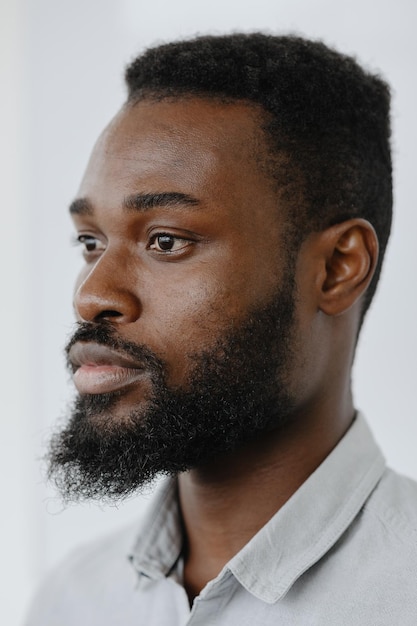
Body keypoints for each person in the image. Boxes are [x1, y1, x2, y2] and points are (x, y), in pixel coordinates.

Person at [25, 33, 417, 625]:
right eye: (90, 242)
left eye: (167, 241)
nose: (92, 296)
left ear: (337, 268)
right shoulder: (72, 601)